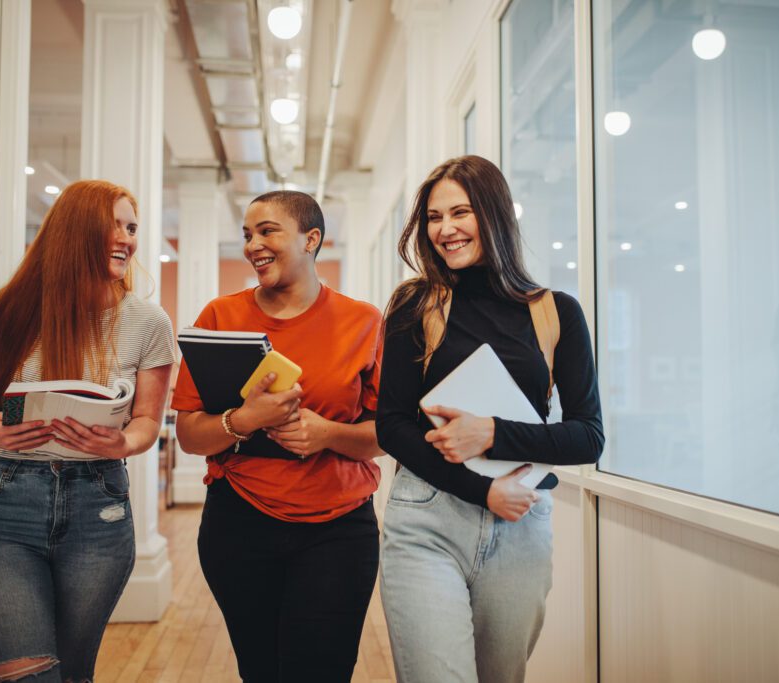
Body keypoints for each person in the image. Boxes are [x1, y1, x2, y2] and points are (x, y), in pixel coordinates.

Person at [376, 155, 605, 683]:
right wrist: (481, 492)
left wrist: (493, 433)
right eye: (434, 217)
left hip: (520, 527)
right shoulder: (415, 305)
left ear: (495, 214)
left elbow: (588, 437)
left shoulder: (557, 312)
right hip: (426, 520)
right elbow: (391, 425)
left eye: (461, 212)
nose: (445, 230)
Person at [0, 180, 176, 682]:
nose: (127, 238)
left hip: (96, 509)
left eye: (132, 227)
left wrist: (122, 441)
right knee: (25, 675)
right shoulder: (11, 308)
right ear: (75, 231)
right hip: (7, 502)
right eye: (115, 225)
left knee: (73, 673)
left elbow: (147, 421)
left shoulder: (149, 322)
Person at [172, 190, 383, 683]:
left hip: (339, 529)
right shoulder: (219, 318)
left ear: (312, 239)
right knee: (260, 671)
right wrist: (243, 420)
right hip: (238, 524)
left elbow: (386, 434)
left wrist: (327, 433)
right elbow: (187, 433)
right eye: (247, 234)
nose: (253, 245)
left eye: (268, 231)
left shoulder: (363, 321)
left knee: (321, 672)